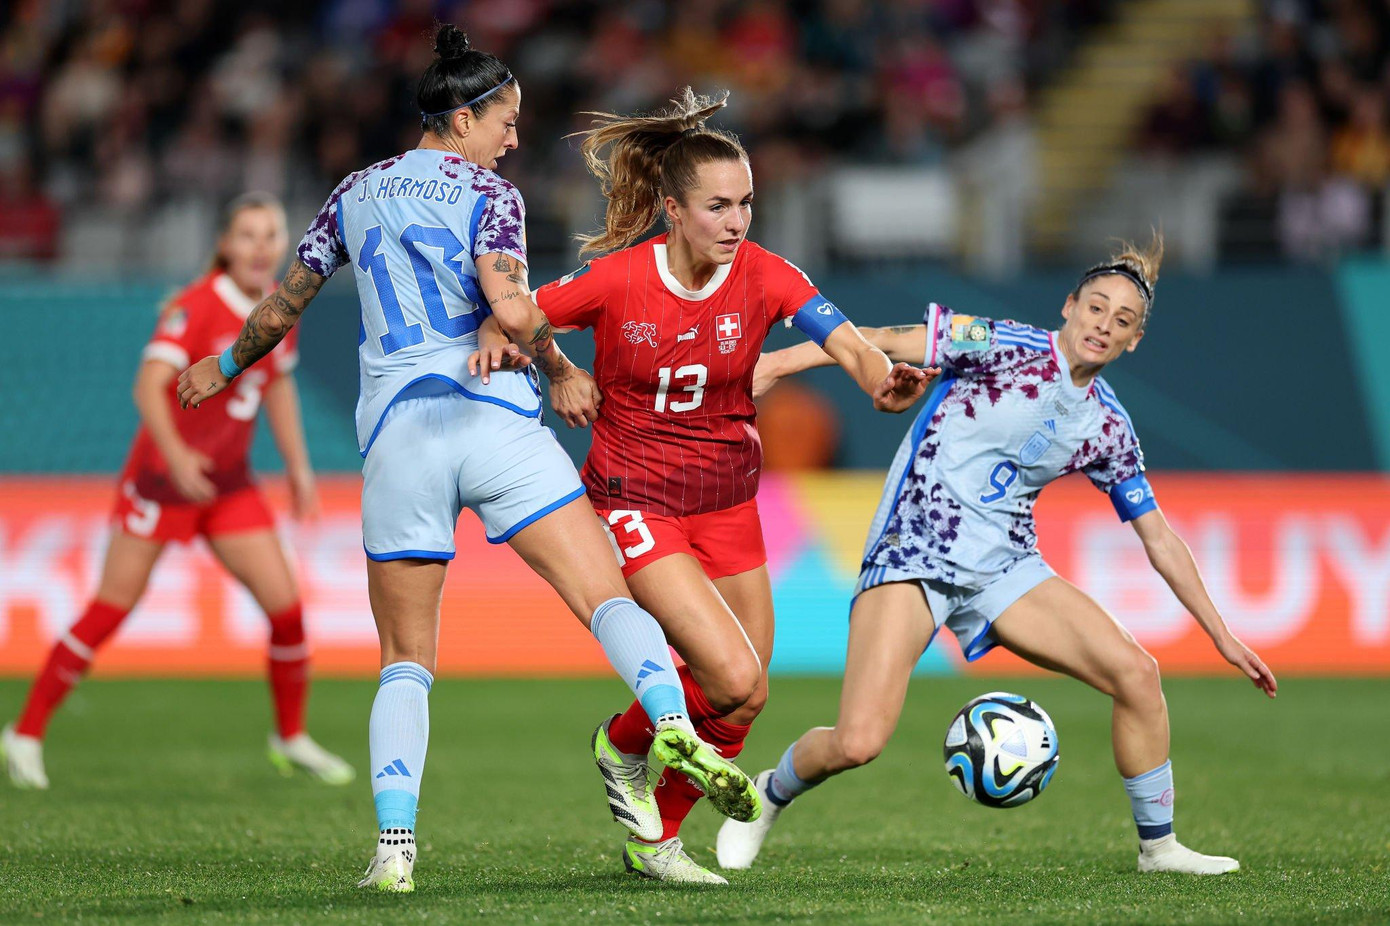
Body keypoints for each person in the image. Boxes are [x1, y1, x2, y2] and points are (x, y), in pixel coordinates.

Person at [175, 27, 754, 894]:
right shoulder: (490, 194)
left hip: (401, 442)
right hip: (495, 424)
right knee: (605, 597)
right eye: (507, 121)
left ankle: (396, 849)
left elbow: (281, 308)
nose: (514, 139)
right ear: (462, 117)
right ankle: (669, 719)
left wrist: (220, 369)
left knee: (407, 659)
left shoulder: (352, 193)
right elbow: (514, 310)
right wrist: (562, 371)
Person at [717, 234, 1279, 876]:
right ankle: (768, 793)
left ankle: (1160, 848)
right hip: (915, 548)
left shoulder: (1108, 425)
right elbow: (883, 338)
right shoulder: (1002, 343)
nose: (1104, 324)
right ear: (1069, 306)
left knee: (1138, 675)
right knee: (859, 741)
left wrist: (1222, 634)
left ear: (1134, 341)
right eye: (1096, 307)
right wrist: (777, 366)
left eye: (1122, 321)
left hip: (1004, 567)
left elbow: (1157, 534)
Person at [524, 88, 929, 884]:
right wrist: (561, 369)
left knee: (745, 700)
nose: (737, 220)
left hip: (729, 500)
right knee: (731, 674)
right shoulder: (616, 281)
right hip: (634, 496)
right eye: (718, 206)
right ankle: (622, 743)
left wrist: (880, 380)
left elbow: (844, 340)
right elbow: (518, 314)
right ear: (673, 210)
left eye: (746, 202)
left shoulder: (767, 275)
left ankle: (654, 835)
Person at [2, 193, 353, 790]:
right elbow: (148, 387)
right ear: (224, 245)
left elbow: (278, 388)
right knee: (110, 609)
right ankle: (26, 732)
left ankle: (289, 737)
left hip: (228, 487)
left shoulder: (280, 310)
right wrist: (175, 454)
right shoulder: (195, 307)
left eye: (271, 234)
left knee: (287, 609)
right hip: (163, 485)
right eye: (247, 234)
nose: (261, 245)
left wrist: (298, 468)